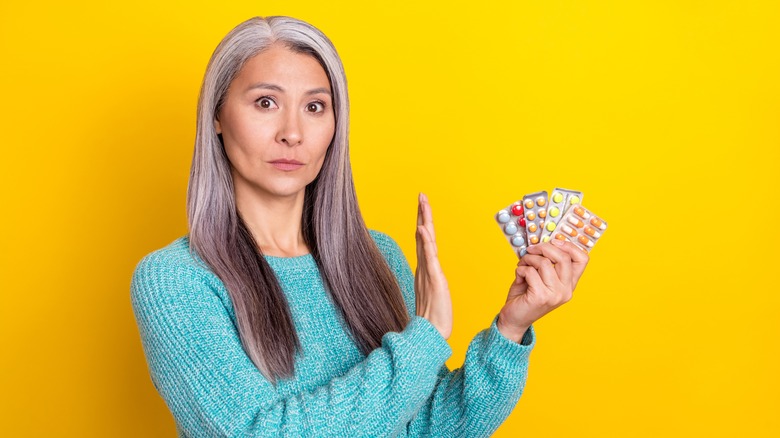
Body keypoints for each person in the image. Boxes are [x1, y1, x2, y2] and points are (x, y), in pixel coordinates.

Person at [130, 15, 590, 437]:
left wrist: (509, 330)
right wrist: (425, 338)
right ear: (216, 115)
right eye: (266, 102)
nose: (292, 132)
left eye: (315, 107)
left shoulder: (379, 258)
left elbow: (425, 428)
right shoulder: (174, 280)